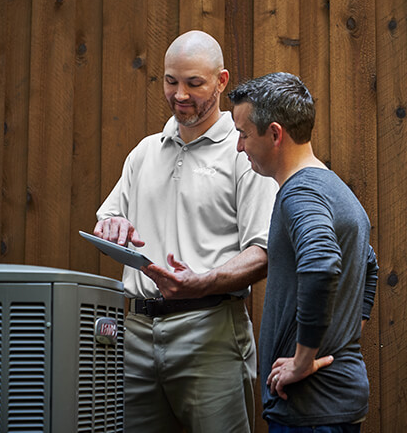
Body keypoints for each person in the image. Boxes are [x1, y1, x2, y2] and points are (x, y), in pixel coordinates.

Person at [93, 30, 277, 433]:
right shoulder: (144, 152)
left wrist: (203, 282)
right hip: (135, 336)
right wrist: (113, 227)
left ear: (222, 81)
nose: (180, 94)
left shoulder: (243, 152)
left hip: (210, 333)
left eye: (194, 84)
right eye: (171, 81)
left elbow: (264, 250)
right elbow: (106, 221)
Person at [228, 72, 379, 432]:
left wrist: (302, 359)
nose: (239, 146)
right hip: (335, 400)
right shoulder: (332, 187)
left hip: (311, 407)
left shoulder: (301, 194)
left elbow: (321, 262)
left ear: (275, 134)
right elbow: (369, 265)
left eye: (244, 134)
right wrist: (339, 336)